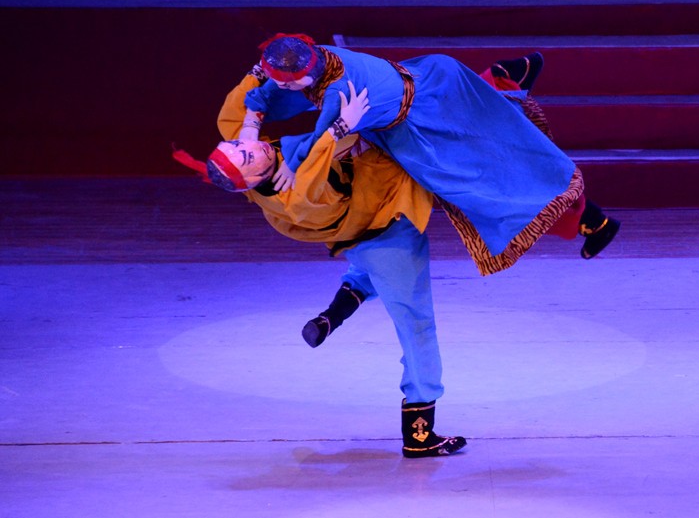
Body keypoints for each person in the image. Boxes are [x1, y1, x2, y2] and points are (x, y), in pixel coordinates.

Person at [174, 74, 467, 458]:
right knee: (417, 325)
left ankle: (333, 315)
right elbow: (313, 173)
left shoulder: (255, 163)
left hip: (362, 231)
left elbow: (238, 120)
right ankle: (419, 432)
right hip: (384, 229)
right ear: (252, 179)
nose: (253, 148)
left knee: (370, 274)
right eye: (247, 155)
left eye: (241, 146)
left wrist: (262, 76)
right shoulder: (293, 195)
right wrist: (340, 126)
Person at [239, 33, 620, 276]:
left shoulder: (338, 88)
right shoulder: (316, 56)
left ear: (304, 74)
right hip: (429, 85)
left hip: (422, 123)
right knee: (491, 154)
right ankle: (503, 81)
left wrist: (293, 162)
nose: (280, 86)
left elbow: (320, 139)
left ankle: (506, 86)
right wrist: (249, 132)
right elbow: (266, 95)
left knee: (487, 179)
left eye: (287, 82)